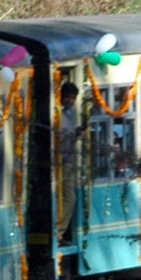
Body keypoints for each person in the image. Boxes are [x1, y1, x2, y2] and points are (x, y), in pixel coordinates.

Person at [57, 83, 80, 241]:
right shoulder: (58, 116)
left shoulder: (69, 115)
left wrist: (77, 135)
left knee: (70, 198)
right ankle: (58, 231)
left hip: (67, 162)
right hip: (60, 162)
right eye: (67, 97)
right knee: (68, 198)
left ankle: (60, 231)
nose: (69, 101)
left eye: (73, 98)